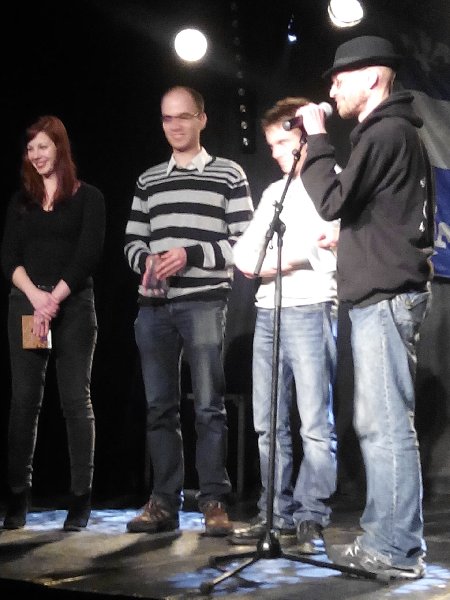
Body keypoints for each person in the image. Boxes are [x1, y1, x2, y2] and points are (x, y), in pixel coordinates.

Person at [296, 36, 435, 579]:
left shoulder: (385, 131)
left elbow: (332, 199)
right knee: (377, 423)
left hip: (385, 299)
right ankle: (390, 541)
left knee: (385, 426)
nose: (332, 91)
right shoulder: (393, 133)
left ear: (373, 77)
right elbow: (382, 214)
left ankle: (395, 549)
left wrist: (316, 138)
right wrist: (349, 239)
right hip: (382, 296)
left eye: (340, 79)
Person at [124, 85, 254, 536]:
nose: (174, 126)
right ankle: (164, 502)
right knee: (159, 407)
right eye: (167, 118)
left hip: (203, 301)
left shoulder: (228, 174)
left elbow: (245, 242)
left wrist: (190, 254)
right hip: (154, 305)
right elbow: (132, 240)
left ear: (202, 119)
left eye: (183, 116)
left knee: (208, 407)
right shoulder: (149, 180)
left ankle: (214, 499)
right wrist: (146, 262)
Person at [230, 97, 339, 553]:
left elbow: (326, 251)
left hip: (312, 309)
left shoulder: (329, 183)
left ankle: (312, 515)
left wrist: (284, 260)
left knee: (314, 424)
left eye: (283, 143)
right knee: (267, 423)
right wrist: (288, 258)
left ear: (303, 139)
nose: (276, 153)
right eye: (271, 145)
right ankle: (274, 513)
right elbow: (244, 256)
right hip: (268, 312)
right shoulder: (275, 193)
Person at [1, 115, 105, 531]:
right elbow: (9, 258)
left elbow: (88, 254)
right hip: (28, 304)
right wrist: (36, 299)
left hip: (73, 307)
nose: (36, 155)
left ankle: (80, 499)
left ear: (59, 148)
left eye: (42, 147)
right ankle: (17, 497)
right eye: (30, 149)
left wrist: (54, 299)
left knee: (76, 401)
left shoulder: (89, 198)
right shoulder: (21, 202)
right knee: (24, 401)